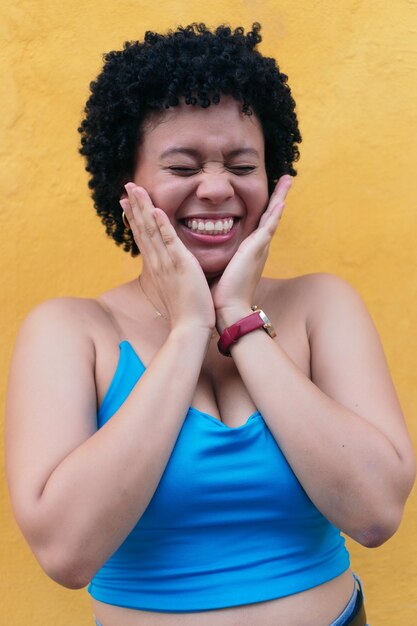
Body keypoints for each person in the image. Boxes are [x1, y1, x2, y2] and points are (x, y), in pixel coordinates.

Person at [5, 23, 415, 626]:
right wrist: (188, 330)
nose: (218, 188)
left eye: (242, 164)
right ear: (128, 183)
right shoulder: (70, 332)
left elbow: (377, 513)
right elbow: (67, 553)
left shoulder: (323, 306)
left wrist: (238, 321)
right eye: (183, 165)